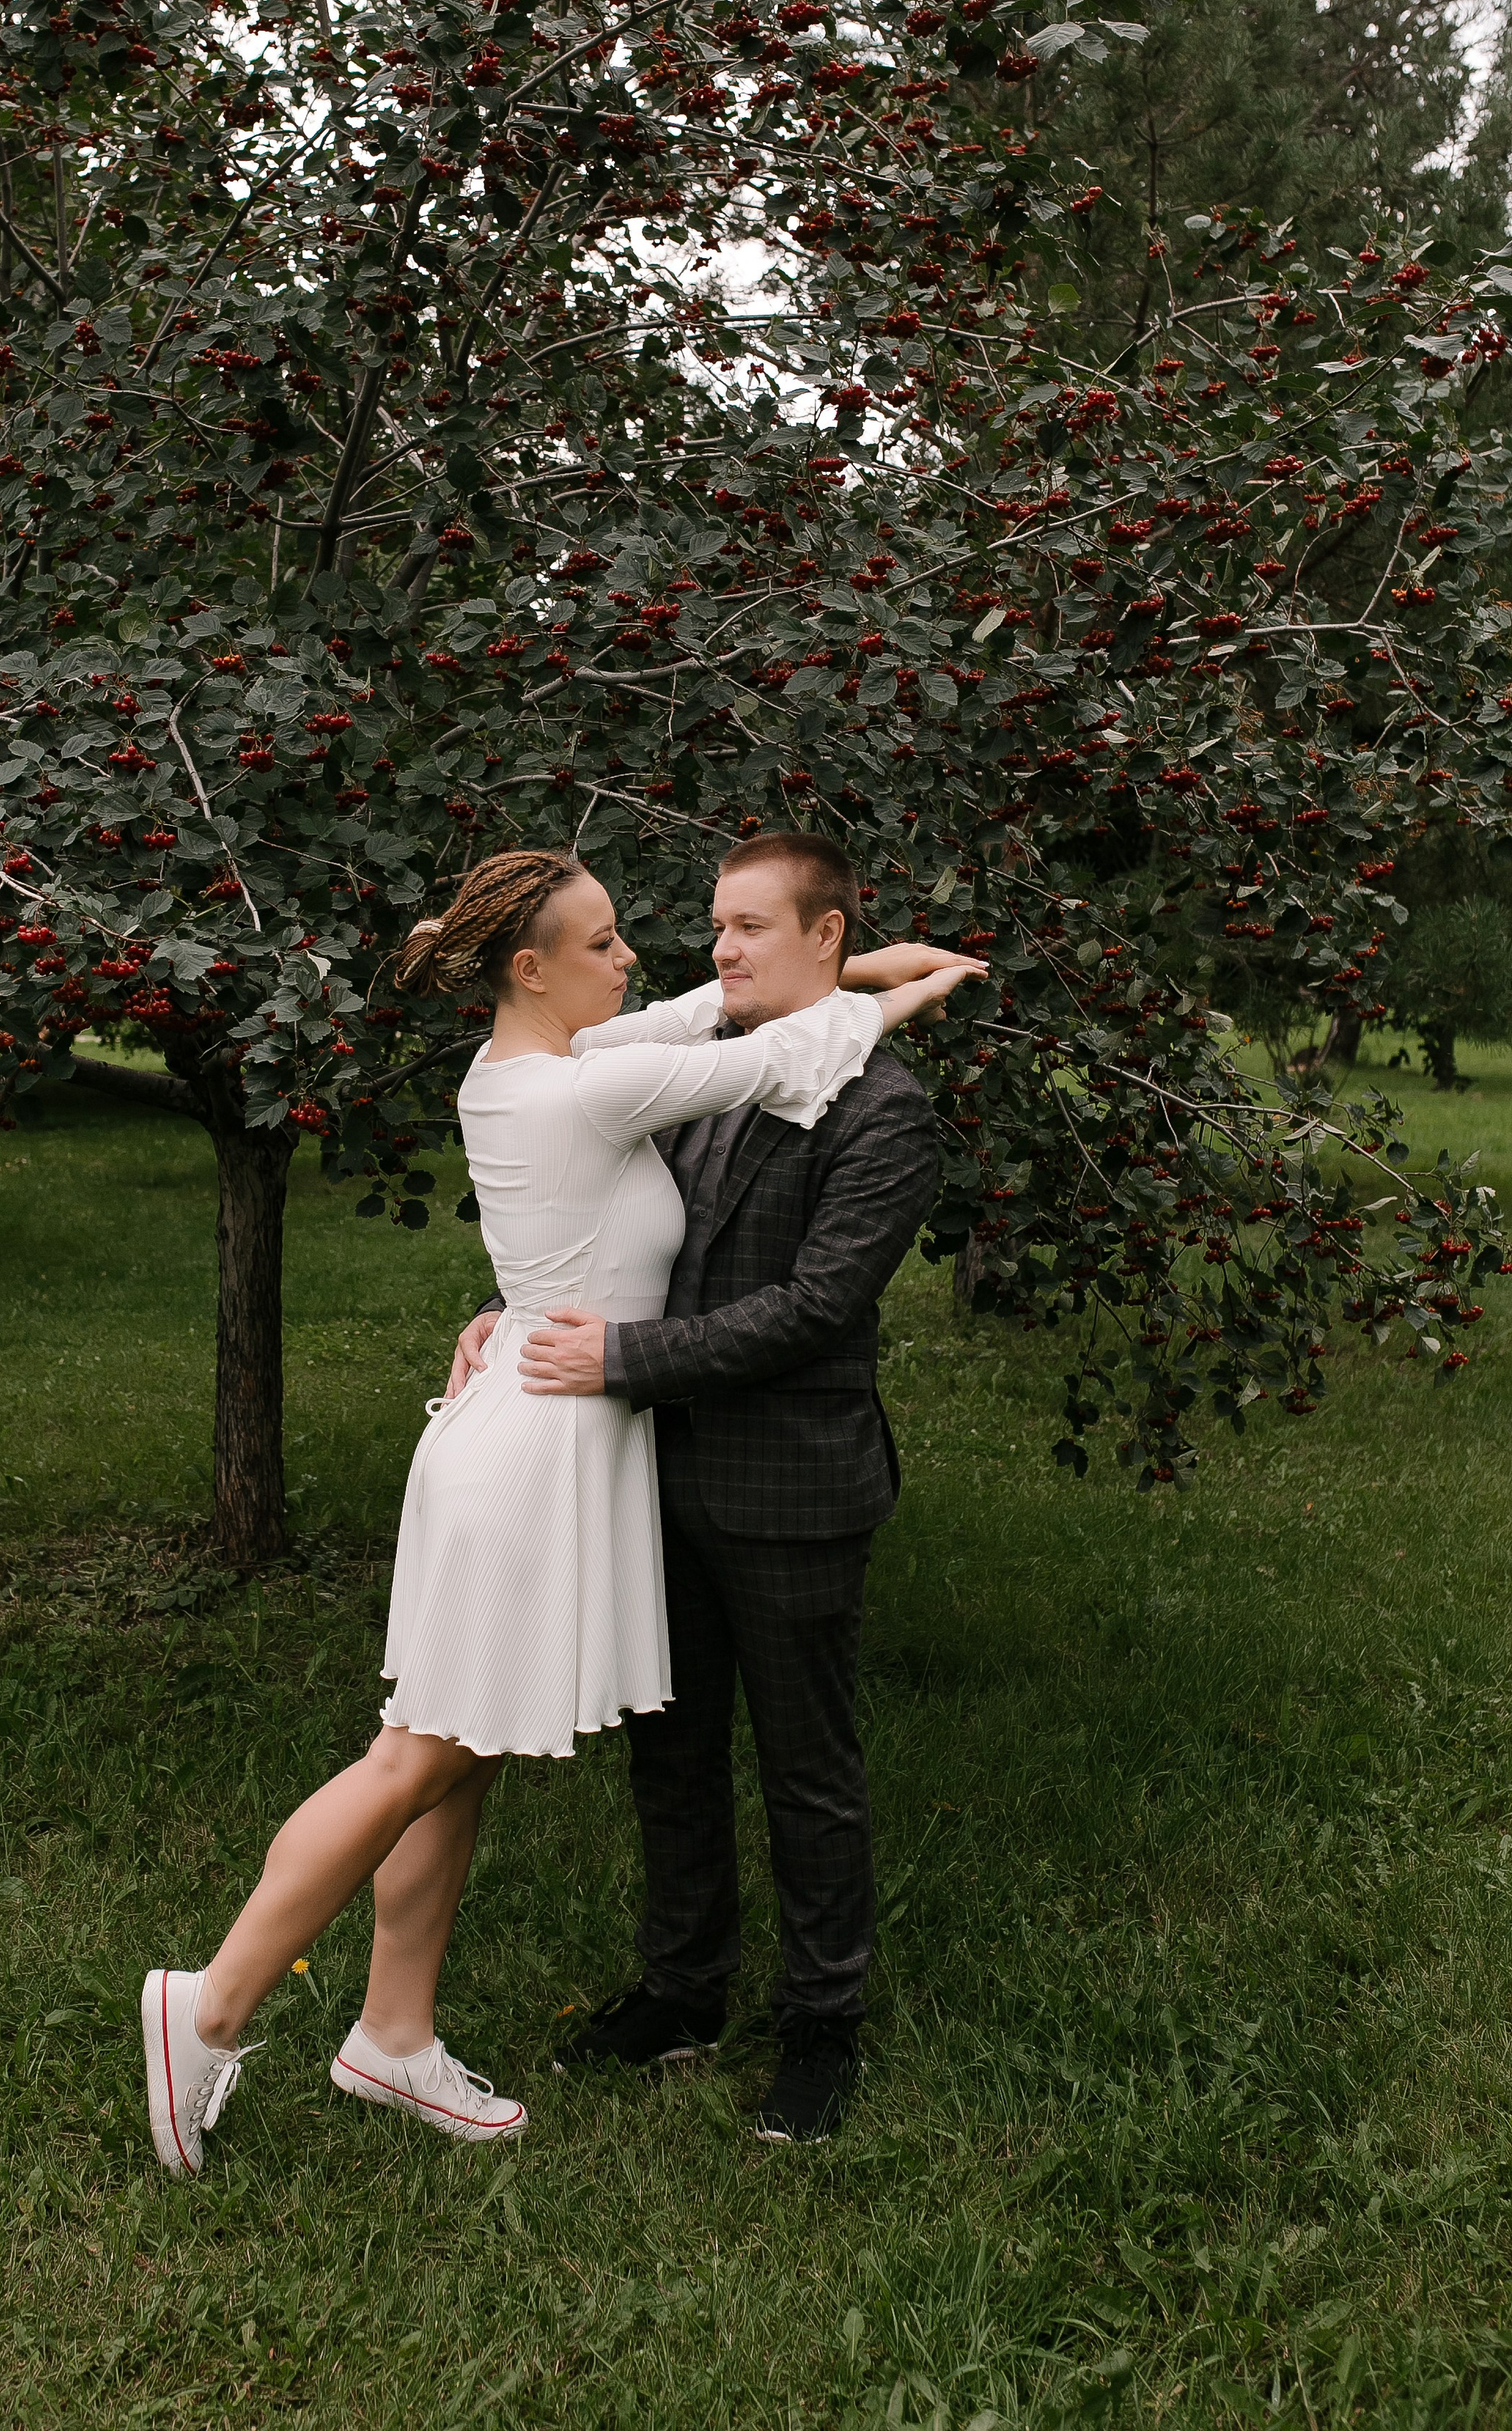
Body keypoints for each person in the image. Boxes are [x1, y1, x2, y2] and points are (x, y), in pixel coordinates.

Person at [142, 846, 982, 2171]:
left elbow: (779, 1257)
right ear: (530, 970)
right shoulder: (598, 1081)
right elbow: (763, 1054)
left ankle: (397, 2035)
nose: (672, 953)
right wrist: (895, 993)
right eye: (613, 939)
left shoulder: (584, 1064)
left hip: (646, 1450)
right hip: (544, 1451)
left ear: (820, 932)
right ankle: (211, 2005)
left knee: (469, 1756)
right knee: (421, 1755)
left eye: (745, 925)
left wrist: (535, 1305)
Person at [452, 832, 954, 2143]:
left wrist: (619, 1361)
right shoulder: (702, 1070)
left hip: (791, 1485)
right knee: (670, 1756)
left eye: (750, 928)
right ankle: (682, 1992)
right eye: (717, 926)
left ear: (827, 937)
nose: (719, 949)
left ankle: (822, 2025)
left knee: (807, 1769)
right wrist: (513, 1315)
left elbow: (816, 1307)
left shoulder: (886, 1112)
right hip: (656, 1472)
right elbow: (608, 1230)